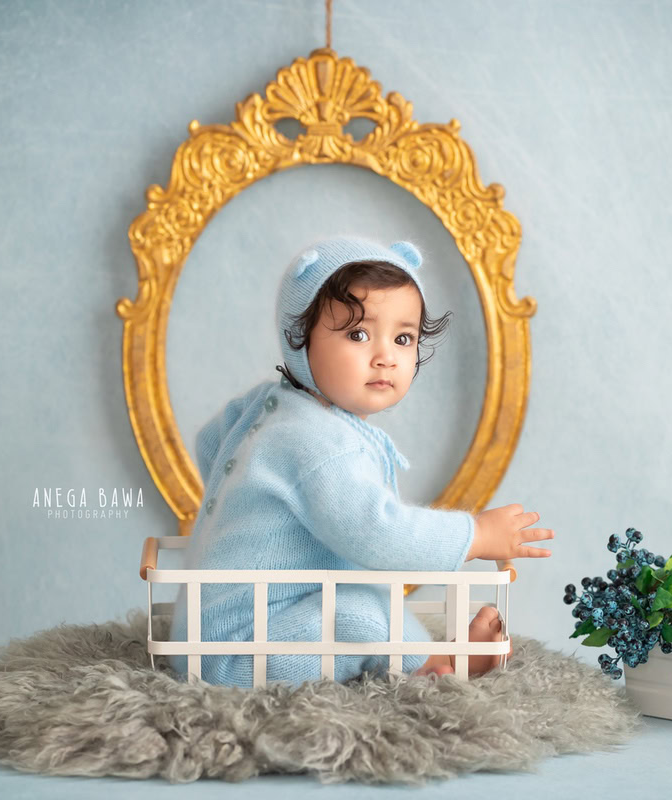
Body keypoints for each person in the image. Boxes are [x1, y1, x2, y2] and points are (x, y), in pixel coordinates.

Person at [168, 236, 554, 686]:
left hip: (209, 630)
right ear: (299, 341)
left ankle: (431, 656)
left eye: (403, 338)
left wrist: (249, 511)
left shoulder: (272, 406)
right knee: (360, 612)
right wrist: (477, 535)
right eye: (358, 334)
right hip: (237, 654)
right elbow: (379, 534)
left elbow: (213, 443)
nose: (385, 357)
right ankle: (435, 671)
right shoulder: (318, 441)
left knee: (360, 596)